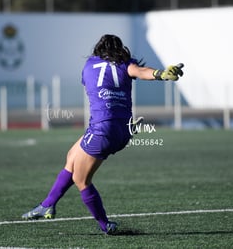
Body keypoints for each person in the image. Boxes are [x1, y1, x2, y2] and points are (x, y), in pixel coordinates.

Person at [21, 34, 184, 234]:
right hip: (123, 130)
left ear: (98, 49)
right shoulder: (125, 63)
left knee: (81, 180)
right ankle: (47, 204)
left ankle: (105, 225)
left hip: (102, 129)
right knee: (72, 156)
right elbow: (141, 72)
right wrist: (162, 73)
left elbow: (93, 82)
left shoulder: (90, 65)